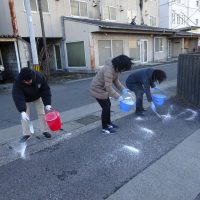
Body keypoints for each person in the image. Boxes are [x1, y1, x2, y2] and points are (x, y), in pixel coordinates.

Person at [90, 55, 133, 134]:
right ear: (120, 65)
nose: (123, 70)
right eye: (124, 68)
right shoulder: (109, 70)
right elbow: (108, 87)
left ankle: (108, 123)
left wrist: (123, 89)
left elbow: (116, 81)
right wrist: (118, 97)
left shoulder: (115, 68)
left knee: (108, 106)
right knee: (106, 108)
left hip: (103, 89)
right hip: (97, 89)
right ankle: (104, 128)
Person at [12, 67, 52, 143]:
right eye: (26, 81)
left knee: (42, 113)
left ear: (32, 77)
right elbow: (18, 97)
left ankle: (44, 131)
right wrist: (22, 111)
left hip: (37, 96)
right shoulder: (17, 82)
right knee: (25, 117)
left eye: (30, 80)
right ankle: (26, 134)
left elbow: (45, 90)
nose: (29, 82)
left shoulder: (39, 77)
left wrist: (47, 104)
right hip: (25, 99)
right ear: (22, 80)